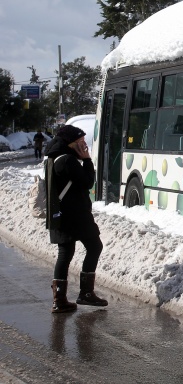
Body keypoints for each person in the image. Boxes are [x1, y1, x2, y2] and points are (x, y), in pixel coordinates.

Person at [46, 124, 108, 313]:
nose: (84, 145)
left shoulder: (54, 157)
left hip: (61, 215)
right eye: (80, 142)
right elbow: (88, 182)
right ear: (70, 143)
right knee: (95, 246)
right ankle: (86, 294)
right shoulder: (67, 161)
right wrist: (87, 160)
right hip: (76, 215)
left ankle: (59, 300)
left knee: (65, 254)